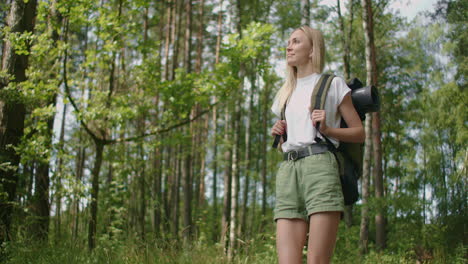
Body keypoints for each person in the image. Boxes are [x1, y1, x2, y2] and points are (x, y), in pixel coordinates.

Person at [270, 25, 365, 264]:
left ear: (312, 50)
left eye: (296, 42)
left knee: (317, 261)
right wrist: (281, 136)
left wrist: (328, 130)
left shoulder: (332, 84)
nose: (288, 46)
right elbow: (287, 142)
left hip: (320, 167)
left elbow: (359, 133)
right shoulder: (284, 92)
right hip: (288, 170)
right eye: (288, 42)